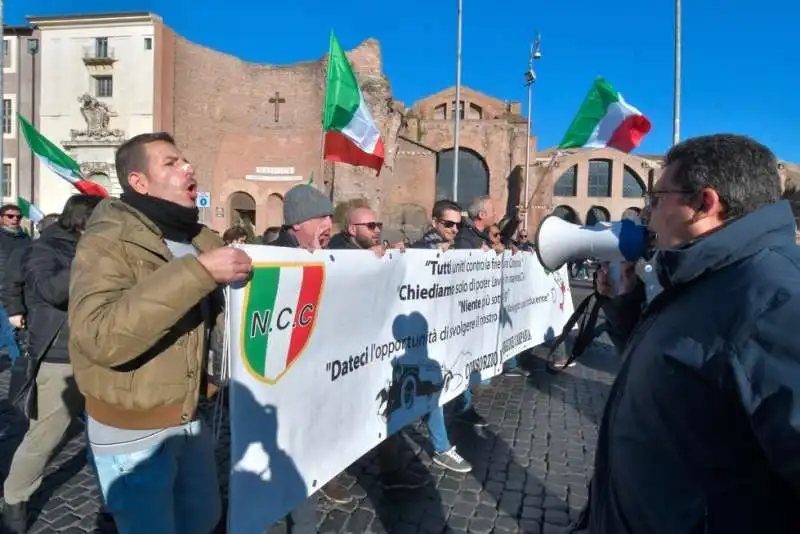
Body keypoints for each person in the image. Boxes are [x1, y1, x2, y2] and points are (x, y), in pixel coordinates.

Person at [575, 134, 800, 534]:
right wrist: (627, 309)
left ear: (703, 203)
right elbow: (685, 376)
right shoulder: (709, 274)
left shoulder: (777, 301)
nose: (649, 212)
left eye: (658, 198)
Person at [68, 132, 252, 534]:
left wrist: (335, 261)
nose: (188, 167)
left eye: (185, 159)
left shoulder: (202, 238)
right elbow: (100, 337)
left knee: (204, 521)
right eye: (171, 163)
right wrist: (200, 274)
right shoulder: (107, 239)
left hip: (194, 417)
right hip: (133, 434)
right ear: (139, 182)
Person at [0, 196, 102, 534]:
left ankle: (116, 495)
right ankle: (14, 497)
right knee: (46, 434)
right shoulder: (44, 248)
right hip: (61, 353)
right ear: (83, 221)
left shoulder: (96, 246)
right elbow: (52, 291)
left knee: (109, 432)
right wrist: (90, 258)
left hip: (103, 350)